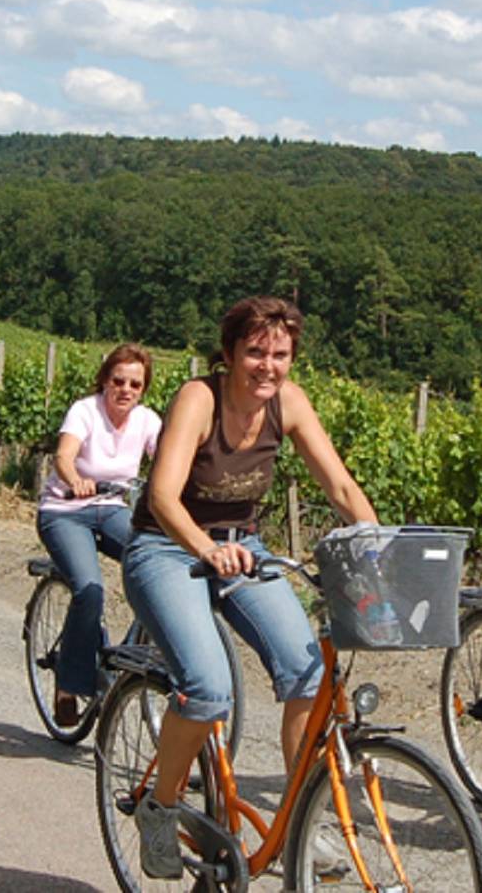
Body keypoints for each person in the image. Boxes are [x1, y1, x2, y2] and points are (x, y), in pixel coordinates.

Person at [124, 296, 377, 880]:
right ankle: (159, 810)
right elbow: (162, 496)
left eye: (281, 354)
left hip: (244, 548)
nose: (269, 365)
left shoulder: (287, 403)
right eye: (256, 352)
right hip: (166, 545)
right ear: (231, 353)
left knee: (309, 674)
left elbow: (340, 486)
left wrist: (379, 550)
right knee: (208, 687)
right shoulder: (199, 399)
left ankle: (298, 821)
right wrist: (206, 548)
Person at [36, 344, 160, 726]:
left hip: (113, 510)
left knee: (158, 564)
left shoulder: (147, 420)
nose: (126, 389)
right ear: (105, 380)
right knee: (90, 588)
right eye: (118, 381)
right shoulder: (85, 411)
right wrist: (75, 480)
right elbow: (63, 456)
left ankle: (130, 654)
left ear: (143, 389)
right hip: (66, 512)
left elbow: (170, 459)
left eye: (135, 384)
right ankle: (69, 684)